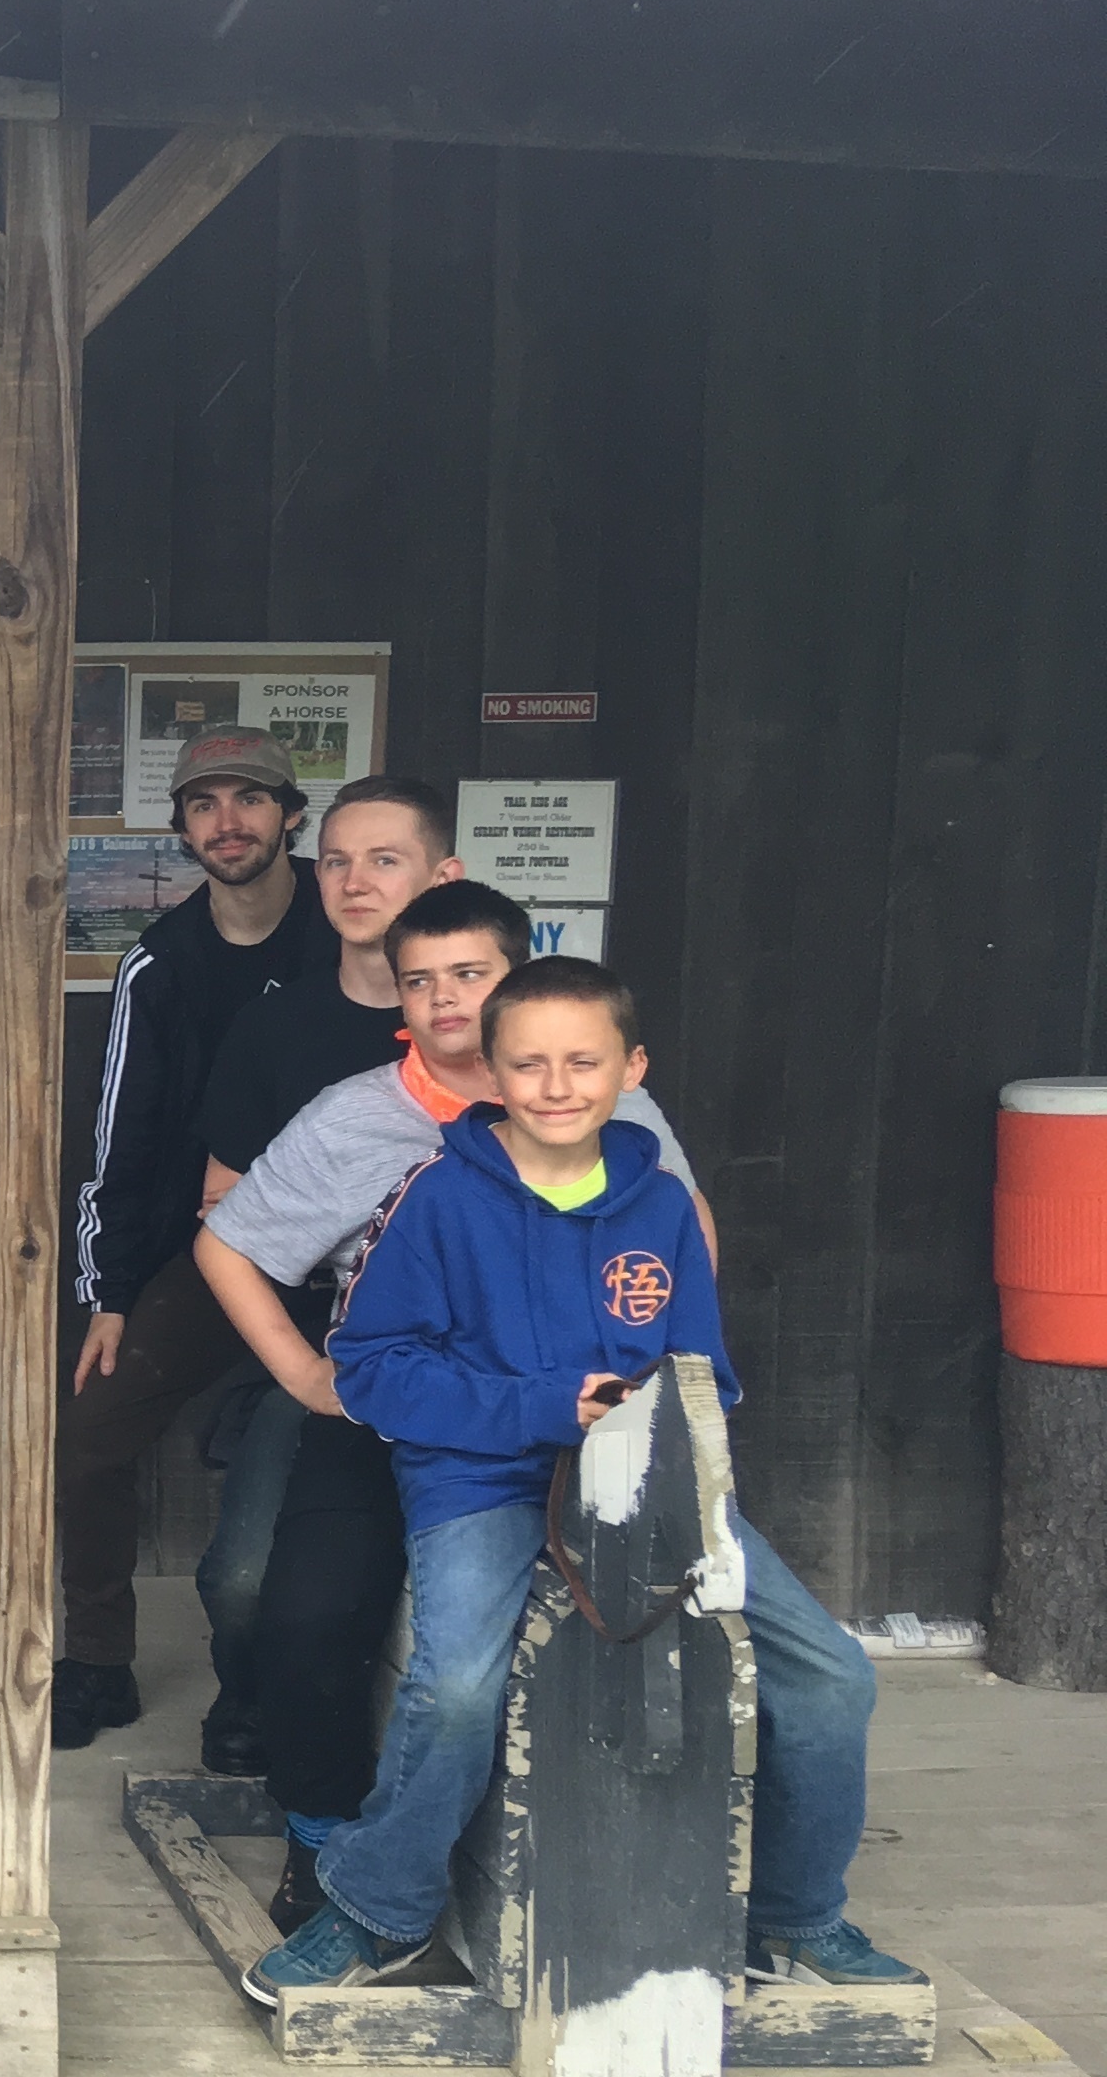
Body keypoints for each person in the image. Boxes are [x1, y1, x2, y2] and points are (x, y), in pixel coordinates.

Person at [245, 954, 913, 2002]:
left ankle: (794, 1916)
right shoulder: (436, 1199)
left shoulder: (662, 1206)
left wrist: (661, 1435)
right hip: (479, 1480)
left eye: (583, 1062)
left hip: (643, 1481)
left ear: (630, 1069)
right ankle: (379, 1908)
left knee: (833, 1677)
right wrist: (546, 1405)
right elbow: (371, 1370)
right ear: (492, 1072)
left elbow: (705, 1371)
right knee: (457, 1687)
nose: (556, 1086)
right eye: (529, 1064)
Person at [192, 880, 708, 1924]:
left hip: (570, 1407)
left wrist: (670, 1386)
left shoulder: (608, 1100)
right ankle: (321, 1832)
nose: (445, 1000)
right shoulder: (359, 1116)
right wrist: (307, 1376)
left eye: (470, 975)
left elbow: (682, 1235)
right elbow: (226, 1242)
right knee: (301, 1605)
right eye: (419, 981)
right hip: (395, 1394)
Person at [175, 774, 466, 1773]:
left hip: (487, 1362)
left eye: (384, 860)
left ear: (443, 877)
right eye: (336, 861)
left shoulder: (523, 1042)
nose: (355, 881)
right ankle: (254, 1697)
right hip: (319, 1338)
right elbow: (223, 1212)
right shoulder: (282, 1029)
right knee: (245, 1582)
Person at [52, 723, 335, 1748]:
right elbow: (119, 1139)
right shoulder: (160, 964)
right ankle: (97, 1661)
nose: (229, 822)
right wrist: (111, 1295)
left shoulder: (349, 935)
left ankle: (261, 1679)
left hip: (363, 1252)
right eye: (205, 804)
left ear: (291, 815)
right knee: (91, 1428)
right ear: (181, 828)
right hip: (217, 1251)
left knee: (318, 1472)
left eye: (250, 799)